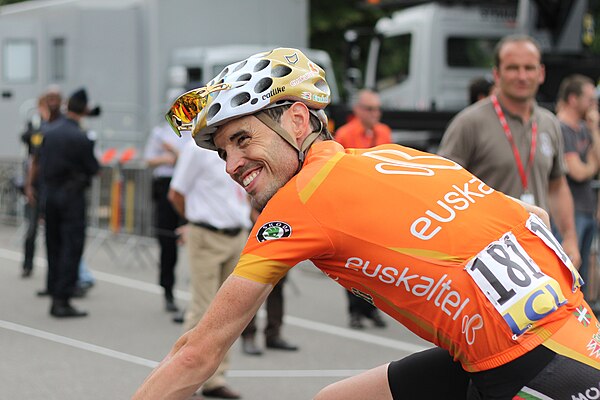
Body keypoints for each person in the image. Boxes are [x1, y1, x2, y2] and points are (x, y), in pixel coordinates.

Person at [133, 48, 600, 400]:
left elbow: (197, 355)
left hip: (533, 372)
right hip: (575, 336)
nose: (231, 164)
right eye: (222, 152)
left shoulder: (298, 204)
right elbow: (533, 216)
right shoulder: (394, 157)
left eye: (242, 139)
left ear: (298, 120)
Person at [438, 34, 581, 269]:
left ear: (541, 73)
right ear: (497, 74)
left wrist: (570, 239)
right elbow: (443, 188)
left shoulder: (549, 123)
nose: (522, 76)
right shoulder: (469, 122)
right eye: (513, 68)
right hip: (484, 256)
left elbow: (557, 185)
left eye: (529, 68)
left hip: (537, 253)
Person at [167, 140, 251, 399]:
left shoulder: (242, 143)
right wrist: (193, 220)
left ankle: (216, 378)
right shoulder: (196, 149)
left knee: (231, 313)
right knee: (202, 309)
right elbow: (176, 193)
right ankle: (184, 377)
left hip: (236, 233)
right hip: (206, 233)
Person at [29, 88, 100, 318]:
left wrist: (32, 188)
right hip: (71, 197)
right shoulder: (80, 136)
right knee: (71, 245)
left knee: (53, 243)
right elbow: (93, 168)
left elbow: (37, 161)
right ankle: (62, 299)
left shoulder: (49, 130)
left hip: (50, 194)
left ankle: (53, 288)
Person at [334, 89, 390, 329]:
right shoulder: (345, 134)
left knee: (378, 263)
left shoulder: (384, 132)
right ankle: (355, 311)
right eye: (369, 109)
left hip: (377, 205)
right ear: (357, 110)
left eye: (377, 109)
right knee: (354, 263)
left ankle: (373, 309)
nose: (374, 113)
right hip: (353, 206)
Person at [555, 74, 600, 299]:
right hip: (570, 213)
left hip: (587, 209)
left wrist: (594, 130)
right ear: (574, 99)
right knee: (570, 276)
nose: (593, 105)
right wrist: (591, 165)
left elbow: (597, 160)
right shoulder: (561, 128)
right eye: (589, 99)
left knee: (584, 278)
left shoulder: (583, 128)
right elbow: (578, 172)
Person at [144, 121, 192, 312]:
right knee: (167, 242)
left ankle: (197, 296)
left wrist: (175, 152)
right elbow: (149, 159)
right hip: (166, 184)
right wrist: (166, 158)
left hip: (189, 187)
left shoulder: (196, 130)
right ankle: (168, 291)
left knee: (198, 242)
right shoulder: (161, 131)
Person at [241, 207, 298, 355]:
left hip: (281, 231)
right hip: (259, 229)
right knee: (252, 286)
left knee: (277, 286)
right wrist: (263, 224)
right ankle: (248, 336)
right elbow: (248, 202)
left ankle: (273, 334)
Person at [20, 86, 63, 278]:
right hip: (37, 184)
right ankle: (27, 265)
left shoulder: (61, 123)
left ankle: (54, 274)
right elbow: (32, 149)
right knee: (31, 228)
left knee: (54, 233)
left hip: (54, 185)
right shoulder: (36, 123)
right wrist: (28, 186)